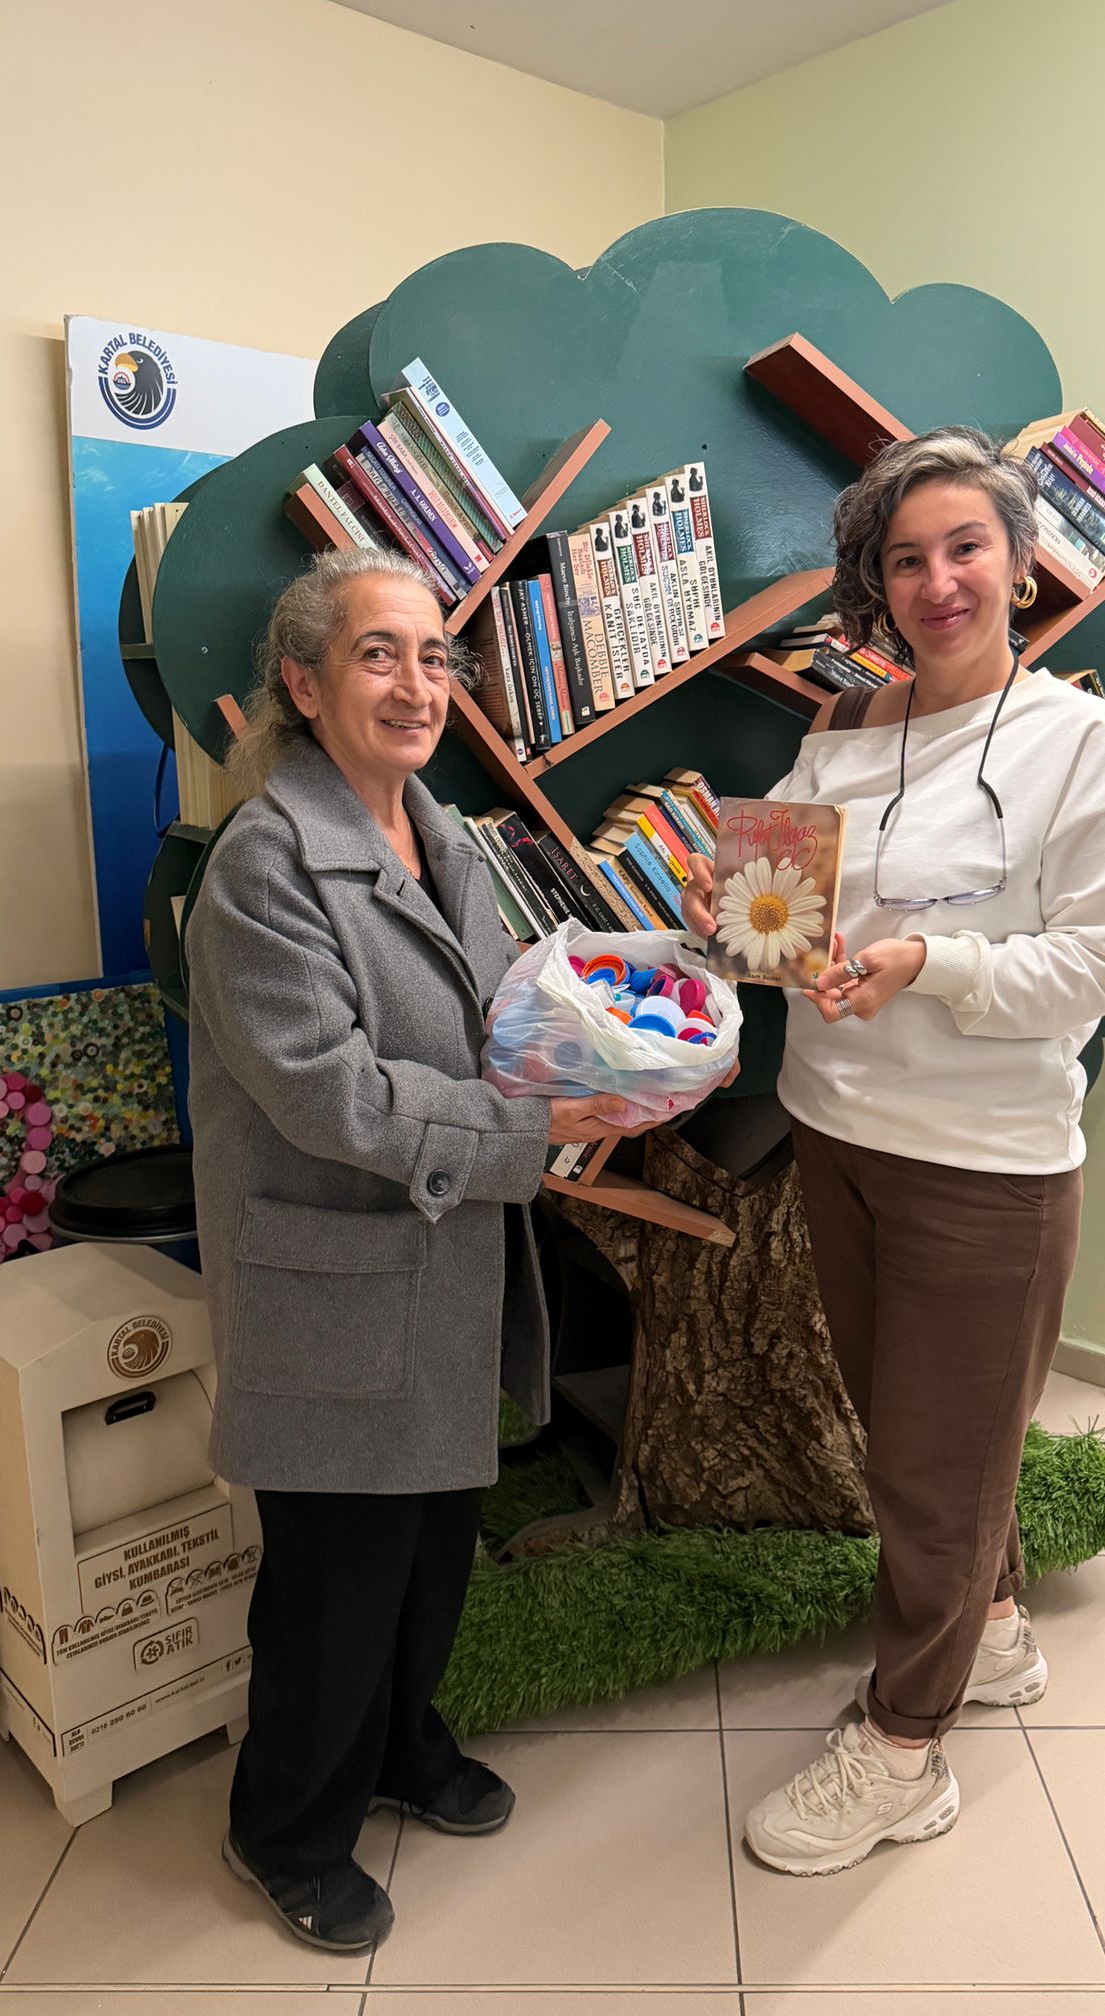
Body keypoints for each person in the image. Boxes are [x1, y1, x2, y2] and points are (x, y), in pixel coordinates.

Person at [682, 426, 1105, 1877]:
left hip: (986, 1164)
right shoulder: (840, 731)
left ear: (1022, 564)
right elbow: (797, 915)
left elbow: (1101, 963)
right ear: (874, 585)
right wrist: (740, 917)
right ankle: (995, 1628)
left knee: (934, 1477)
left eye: (966, 548)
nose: (938, 581)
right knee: (916, 1437)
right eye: (905, 559)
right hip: (837, 1133)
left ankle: (903, 1749)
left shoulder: (1083, 743)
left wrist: (931, 965)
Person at [184, 547, 629, 1953]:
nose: (418, 684)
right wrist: (533, 1127)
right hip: (337, 1282)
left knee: (433, 1549)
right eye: (379, 654)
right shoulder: (262, 866)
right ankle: (287, 1829)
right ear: (304, 686)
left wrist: (616, 1060)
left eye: (436, 656)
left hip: (448, 1262)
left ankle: (398, 1748)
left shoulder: (445, 838)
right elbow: (330, 1095)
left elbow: (500, 1022)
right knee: (335, 1580)